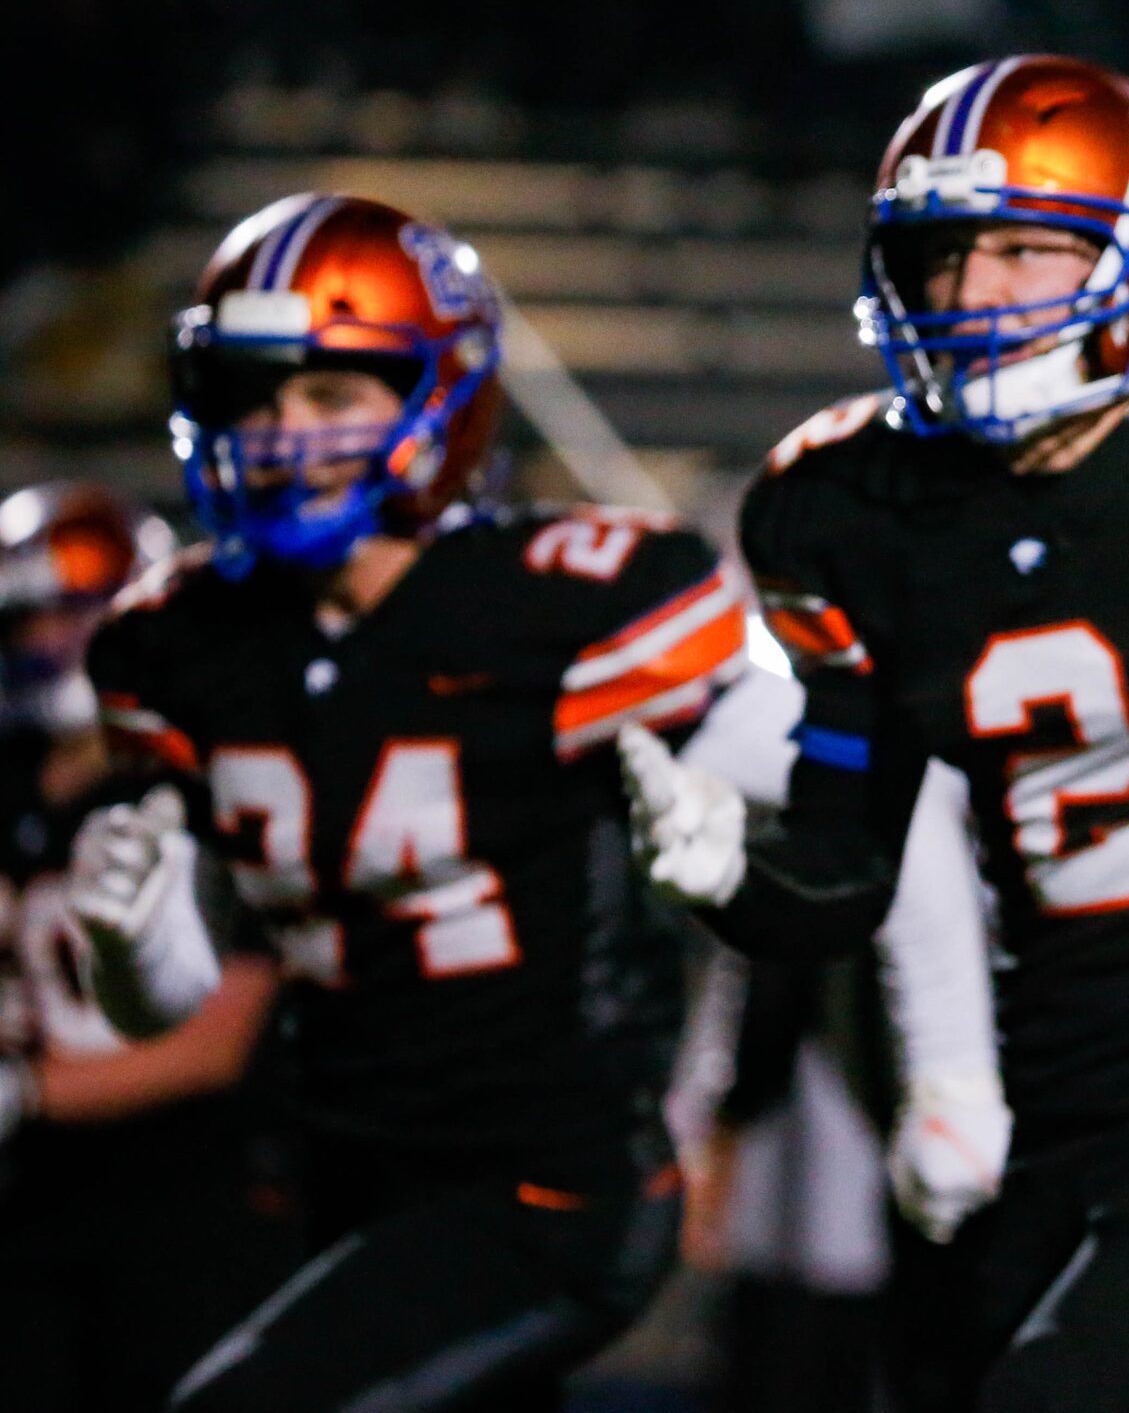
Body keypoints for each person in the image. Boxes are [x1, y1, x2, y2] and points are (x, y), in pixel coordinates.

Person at [620, 54, 1129, 1410]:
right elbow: (841, 877)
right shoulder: (848, 505)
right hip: (1030, 1114)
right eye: (943, 257)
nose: (972, 294)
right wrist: (730, 878)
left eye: (1025, 251)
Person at [66, 193, 751, 1413]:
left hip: (540, 1179)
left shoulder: (577, 598)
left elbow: (808, 847)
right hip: (329, 1164)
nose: (281, 434)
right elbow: (186, 988)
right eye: (255, 395)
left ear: (442, 397)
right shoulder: (179, 640)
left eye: (333, 395)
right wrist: (129, 959)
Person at [0, 482, 292, 1413]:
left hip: (187, 1195)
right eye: (33, 619)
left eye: (81, 617)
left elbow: (216, 1041)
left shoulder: (210, 785)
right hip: (25, 1200)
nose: (55, 643)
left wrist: (25, 1092)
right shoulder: (9, 788)